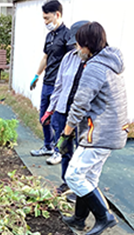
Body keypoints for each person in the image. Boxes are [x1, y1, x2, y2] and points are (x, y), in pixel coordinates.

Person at [59, 22, 128, 235]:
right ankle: (79, 218)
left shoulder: (95, 68)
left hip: (99, 132)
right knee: (88, 177)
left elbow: (80, 104)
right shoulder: (110, 62)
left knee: (73, 176)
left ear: (87, 45)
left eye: (79, 44)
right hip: (112, 130)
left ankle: (104, 217)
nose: (77, 49)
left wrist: (66, 134)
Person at [41, 21, 90, 202]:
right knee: (65, 148)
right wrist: (51, 109)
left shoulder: (93, 62)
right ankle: (66, 182)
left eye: (77, 42)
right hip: (63, 111)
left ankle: (80, 189)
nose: (74, 46)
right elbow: (59, 86)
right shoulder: (69, 58)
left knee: (82, 151)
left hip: (84, 116)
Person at [30, 0, 73, 157]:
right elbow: (46, 57)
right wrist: (36, 75)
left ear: (57, 15)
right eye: (44, 18)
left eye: (47, 18)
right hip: (47, 83)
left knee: (56, 120)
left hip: (59, 86)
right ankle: (47, 146)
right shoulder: (49, 36)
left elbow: (71, 61)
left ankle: (58, 151)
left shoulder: (68, 36)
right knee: (44, 117)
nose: (45, 22)